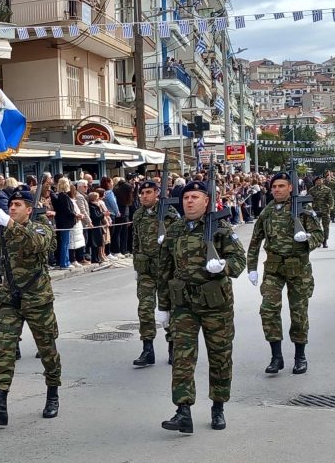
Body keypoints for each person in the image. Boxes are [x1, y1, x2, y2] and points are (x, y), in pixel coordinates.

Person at [157, 181, 246, 433]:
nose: (189, 201)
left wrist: (223, 267)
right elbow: (164, 270)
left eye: (195, 197)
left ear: (207, 201)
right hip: (184, 303)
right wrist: (163, 306)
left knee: (220, 356)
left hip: (216, 304)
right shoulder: (175, 230)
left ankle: (218, 407)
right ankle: (183, 411)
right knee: (182, 357)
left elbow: (239, 260)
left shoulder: (220, 227)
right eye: (186, 197)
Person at [0, 189, 62, 426]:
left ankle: (52, 394)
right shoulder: (6, 230)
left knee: (47, 350)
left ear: (29, 210)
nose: (12, 208)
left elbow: (38, 244)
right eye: (10, 204)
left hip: (37, 299)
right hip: (10, 299)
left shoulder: (40, 228)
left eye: (17, 205)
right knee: (4, 350)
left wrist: (10, 224)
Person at [247, 172, 324, 377]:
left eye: (281, 186)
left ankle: (300, 356)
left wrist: (307, 238)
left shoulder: (303, 209)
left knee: (298, 313)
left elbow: (319, 234)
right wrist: (251, 267)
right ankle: (276, 356)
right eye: (274, 187)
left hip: (298, 268)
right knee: (268, 310)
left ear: (290, 187)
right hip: (274, 268)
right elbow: (255, 240)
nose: (277, 190)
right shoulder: (267, 211)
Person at [132, 180, 180, 368]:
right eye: (142, 193)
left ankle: (172, 346)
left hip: (166, 269)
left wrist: (167, 240)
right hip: (146, 269)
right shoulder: (138, 215)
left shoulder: (169, 213)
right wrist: (136, 266)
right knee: (145, 308)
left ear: (157, 193)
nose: (144, 196)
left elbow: (179, 240)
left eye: (148, 192)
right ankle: (147, 349)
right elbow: (136, 242)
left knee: (168, 309)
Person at [307, 176, 333, 248]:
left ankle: (325, 241)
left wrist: (330, 208)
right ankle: (318, 240)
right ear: (315, 181)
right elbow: (307, 199)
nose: (319, 181)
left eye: (320, 180)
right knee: (316, 227)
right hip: (316, 211)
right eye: (318, 180)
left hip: (325, 210)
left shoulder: (327, 189)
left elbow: (331, 200)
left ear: (323, 181)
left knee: (326, 227)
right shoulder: (312, 190)